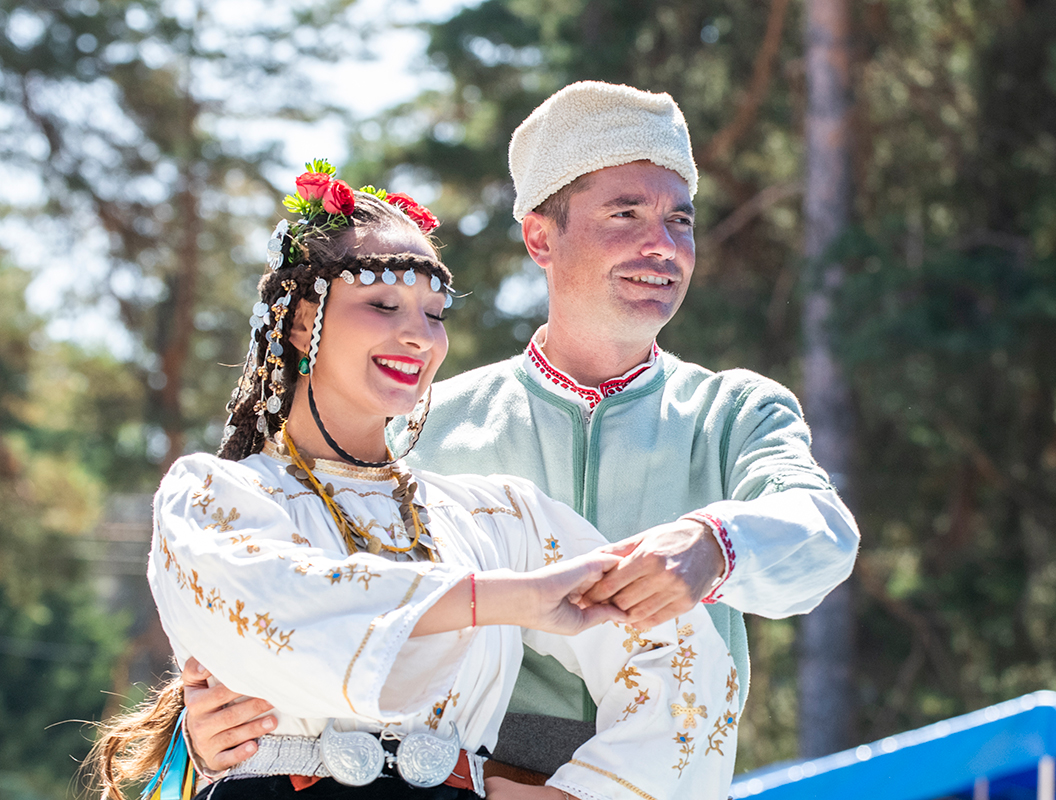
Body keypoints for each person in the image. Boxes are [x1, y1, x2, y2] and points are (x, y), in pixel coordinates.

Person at [187, 81, 860, 780]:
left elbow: (821, 532)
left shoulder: (737, 412)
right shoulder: (416, 428)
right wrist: (220, 735)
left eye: (680, 221)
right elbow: (324, 610)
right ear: (541, 237)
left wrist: (714, 545)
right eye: (626, 213)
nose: (662, 246)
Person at [88, 169, 737, 800]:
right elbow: (282, 603)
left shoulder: (495, 519)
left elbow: (675, 649)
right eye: (382, 304)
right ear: (302, 322)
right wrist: (507, 599)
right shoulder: (216, 498)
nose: (419, 336)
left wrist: (582, 794)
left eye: (435, 313)